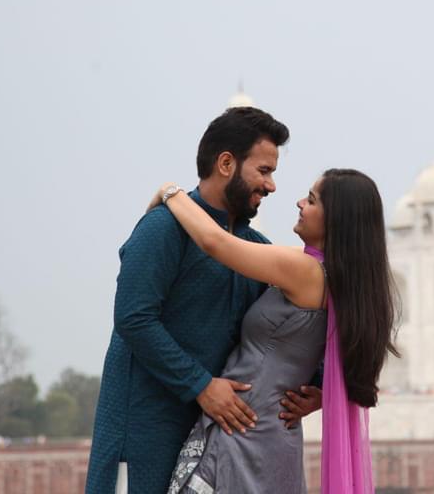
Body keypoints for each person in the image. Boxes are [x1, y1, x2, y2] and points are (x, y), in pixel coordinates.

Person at [85, 107, 321, 494]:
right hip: (143, 434)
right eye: (264, 171)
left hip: (210, 439)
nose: (272, 186)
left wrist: (318, 387)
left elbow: (289, 329)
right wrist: (200, 385)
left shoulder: (253, 251)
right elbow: (134, 319)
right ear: (226, 163)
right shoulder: (162, 228)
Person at [154, 168, 398, 493]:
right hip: (274, 435)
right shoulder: (343, 282)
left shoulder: (305, 271)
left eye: (311, 200)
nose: (299, 203)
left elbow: (214, 242)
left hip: (242, 434)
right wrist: (323, 394)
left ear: (335, 220)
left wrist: (170, 192)